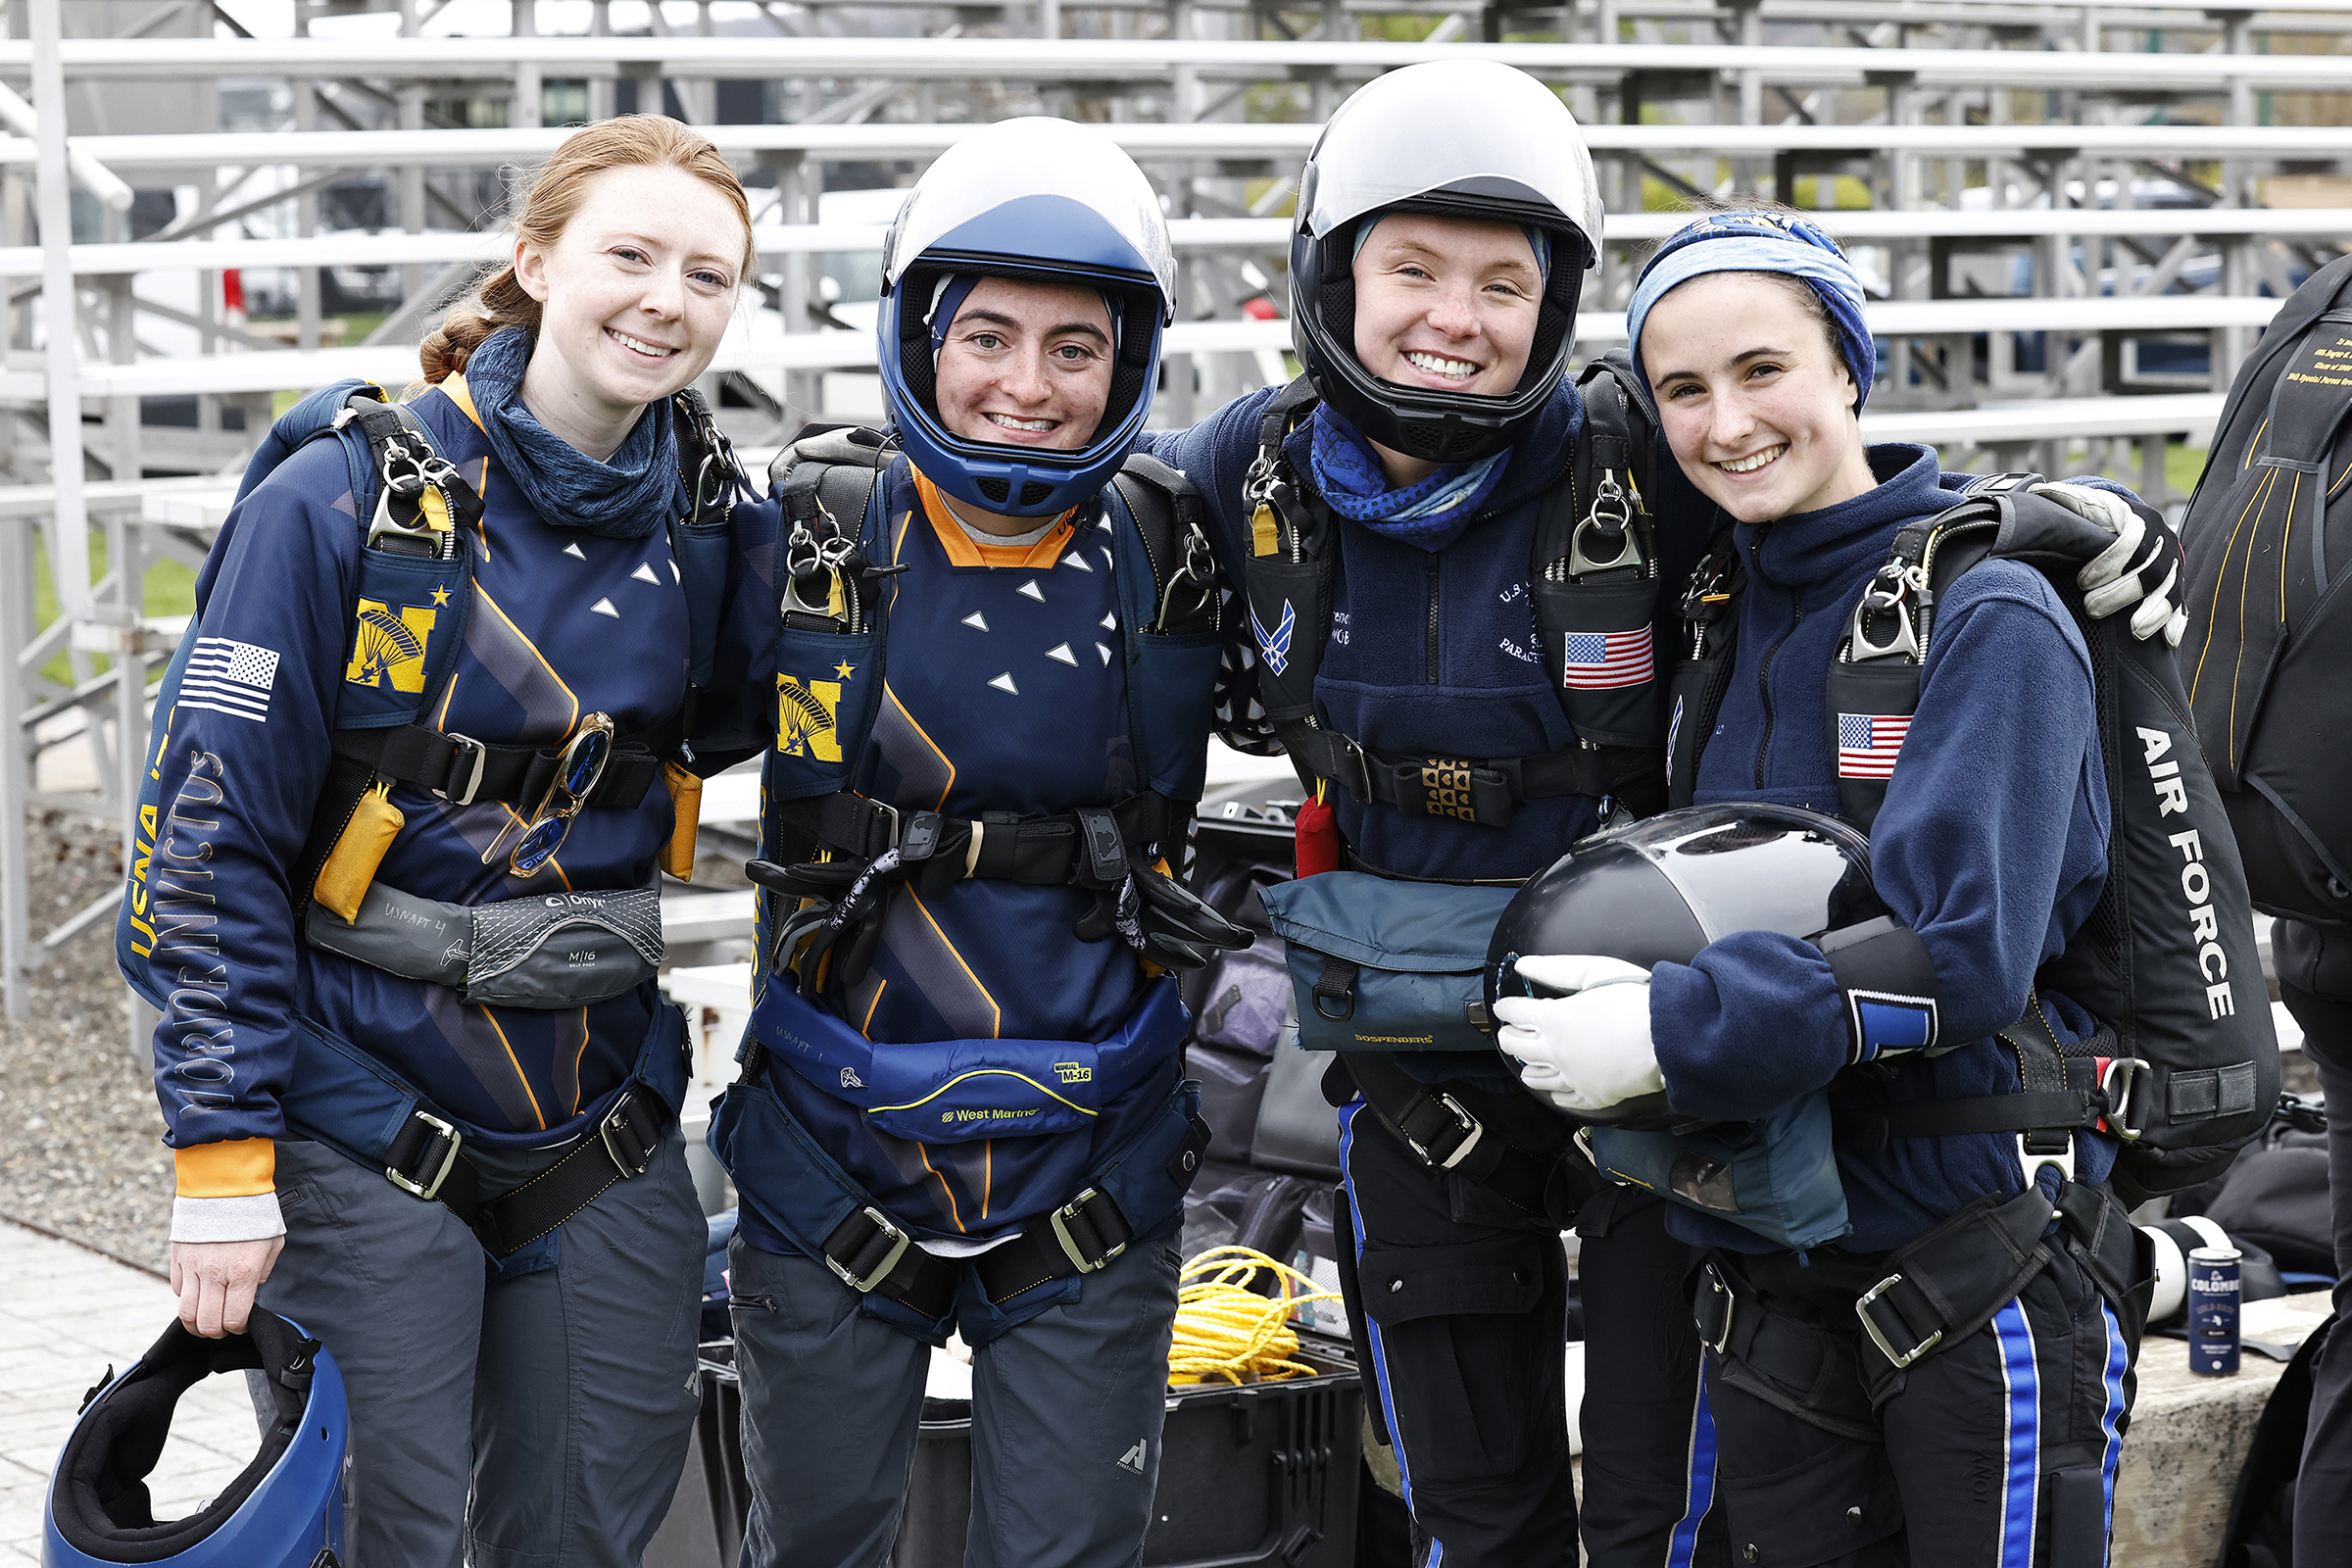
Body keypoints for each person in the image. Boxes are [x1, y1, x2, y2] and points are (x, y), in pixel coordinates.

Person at [138, 116, 766, 1566]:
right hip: (359, 1112)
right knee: (387, 1539)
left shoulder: (722, 531)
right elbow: (212, 838)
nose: (666, 298)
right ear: (535, 264)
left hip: (603, 1120)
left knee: (598, 1539)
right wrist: (220, 1164)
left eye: (708, 274)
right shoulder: (338, 501)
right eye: (630, 254)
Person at [1495, 208, 2147, 1566]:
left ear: (1850, 367)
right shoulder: (1728, 609)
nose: (1726, 421)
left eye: (1763, 369)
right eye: (1683, 389)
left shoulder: (1991, 613)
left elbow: (1962, 955)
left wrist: (1677, 1032)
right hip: (1776, 1270)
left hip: (1977, 1266)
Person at [1148, 59, 1729, 1568]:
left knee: (1665, 1509)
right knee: (1467, 1511)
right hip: (1417, 1069)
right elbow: (1039, 524)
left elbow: (1838, 503)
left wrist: (2014, 528)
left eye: (1500, 283)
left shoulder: (1647, 466)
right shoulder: (1247, 474)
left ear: (1558, 305)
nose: (1454, 323)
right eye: (1412, 270)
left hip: (1649, 1053)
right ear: (1331, 279)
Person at [705, 118, 1249, 1568]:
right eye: (988, 336)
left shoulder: (1180, 549)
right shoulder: (798, 536)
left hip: (1096, 1162)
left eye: (1075, 350)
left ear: (1130, 367)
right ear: (918, 337)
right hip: (829, 1149)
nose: (1025, 386)